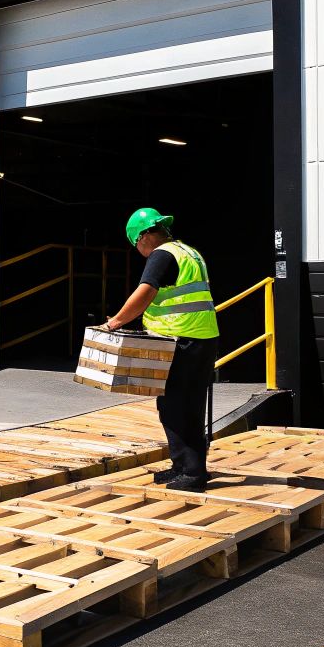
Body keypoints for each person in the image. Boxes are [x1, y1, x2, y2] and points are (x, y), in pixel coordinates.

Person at [101, 208, 218, 492]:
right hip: (202, 338)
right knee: (187, 405)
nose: (139, 251)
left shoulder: (161, 255)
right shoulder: (189, 252)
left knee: (177, 407)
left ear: (143, 237)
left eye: (136, 245)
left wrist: (116, 322)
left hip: (181, 340)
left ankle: (192, 474)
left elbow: (146, 291)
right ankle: (184, 467)